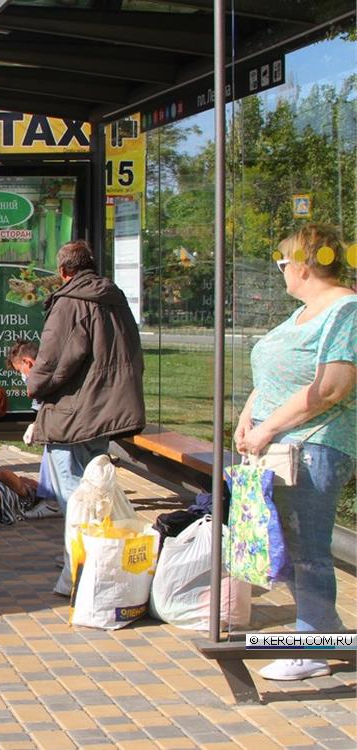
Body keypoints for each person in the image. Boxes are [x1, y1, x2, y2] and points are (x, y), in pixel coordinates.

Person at [233, 224, 355, 682]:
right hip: (278, 443)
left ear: (304, 264)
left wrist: (267, 428)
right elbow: (273, 377)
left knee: (306, 548)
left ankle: (311, 646)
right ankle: (324, 630)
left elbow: (331, 387)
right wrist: (250, 417)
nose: (280, 272)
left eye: (283, 263)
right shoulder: (302, 313)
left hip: (313, 445)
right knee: (285, 543)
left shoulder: (345, 310)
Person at [26, 239, 145, 596]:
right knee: (96, 489)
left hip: (75, 412)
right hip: (107, 410)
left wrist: (35, 386)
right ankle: (90, 559)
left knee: (75, 496)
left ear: (64, 272)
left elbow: (54, 359)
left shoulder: (69, 303)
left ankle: (81, 569)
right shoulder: (114, 298)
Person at [5, 339, 56, 502]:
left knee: (56, 458)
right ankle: (48, 496)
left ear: (27, 362)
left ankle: (51, 500)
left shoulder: (51, 374)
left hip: (72, 426)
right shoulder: (45, 373)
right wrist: (35, 424)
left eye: (20, 370)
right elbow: (40, 404)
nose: (22, 376)